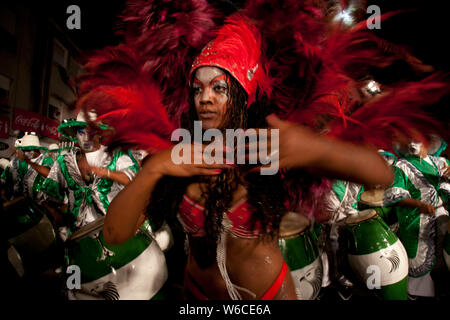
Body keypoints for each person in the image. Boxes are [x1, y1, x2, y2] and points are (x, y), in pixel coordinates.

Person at [75, 1, 448, 300]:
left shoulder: (268, 150)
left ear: (241, 95)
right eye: (197, 88)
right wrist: (154, 169)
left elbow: (379, 174)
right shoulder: (177, 153)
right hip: (196, 293)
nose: (204, 98)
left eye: (219, 88)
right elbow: (114, 235)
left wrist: (316, 149)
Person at [39, 112, 168, 300]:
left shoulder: (117, 156)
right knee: (74, 292)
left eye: (90, 132)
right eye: (81, 132)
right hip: (79, 244)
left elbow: (136, 180)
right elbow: (49, 196)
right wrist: (57, 218)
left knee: (133, 291)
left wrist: (104, 172)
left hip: (116, 235)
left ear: (99, 133)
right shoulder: (63, 162)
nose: (85, 137)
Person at [383, 136, 450, 299]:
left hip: (442, 221)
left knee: (442, 260)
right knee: (419, 265)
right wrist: (419, 205)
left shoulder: (441, 163)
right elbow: (394, 196)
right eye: (408, 140)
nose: (412, 143)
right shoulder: (401, 166)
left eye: (418, 140)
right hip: (416, 222)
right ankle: (417, 295)